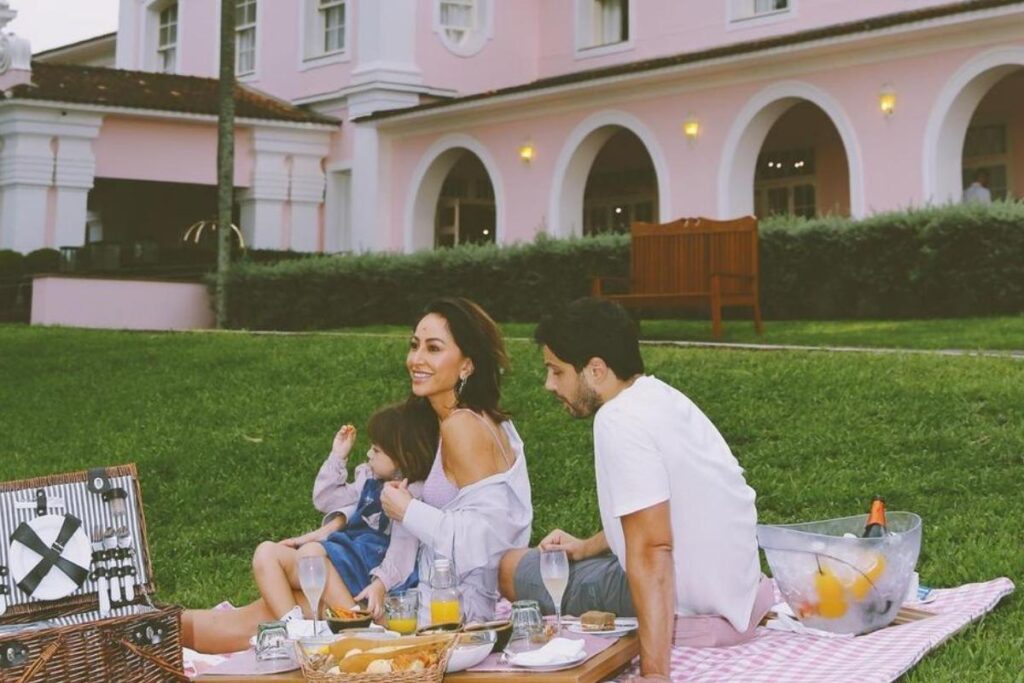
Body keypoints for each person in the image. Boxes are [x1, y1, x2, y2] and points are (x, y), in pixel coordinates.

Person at [498, 298, 773, 682]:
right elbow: (660, 512)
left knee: (512, 566)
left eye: (556, 371)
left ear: (595, 370)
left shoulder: (617, 420)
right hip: (735, 588)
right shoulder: (660, 397)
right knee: (578, 563)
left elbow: (652, 549)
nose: (549, 385)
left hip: (692, 603)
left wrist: (654, 675)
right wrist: (586, 546)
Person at [181, 400, 437, 653]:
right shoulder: (368, 478)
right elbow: (325, 499)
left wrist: (380, 584)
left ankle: (358, 628)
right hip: (342, 560)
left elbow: (401, 552)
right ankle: (293, 628)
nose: (369, 454)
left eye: (377, 450)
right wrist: (338, 456)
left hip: (365, 573)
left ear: (405, 457)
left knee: (309, 554)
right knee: (266, 552)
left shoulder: (407, 495)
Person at [378, 297, 533, 626]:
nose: (416, 359)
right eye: (415, 345)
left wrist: (406, 510)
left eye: (433, 348)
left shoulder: (461, 426)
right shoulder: (490, 421)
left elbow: (485, 544)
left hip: (455, 619)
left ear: (466, 365)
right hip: (441, 605)